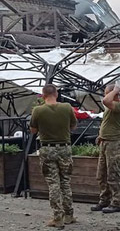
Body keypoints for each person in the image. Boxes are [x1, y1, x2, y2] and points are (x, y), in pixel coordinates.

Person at [30, 84, 78, 228]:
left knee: (53, 183)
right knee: (65, 181)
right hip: (65, 149)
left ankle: (58, 217)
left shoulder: (38, 110)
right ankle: (69, 215)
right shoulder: (67, 107)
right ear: (56, 94)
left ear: (43, 95)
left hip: (47, 149)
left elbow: (33, 131)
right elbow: (74, 126)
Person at [91, 84, 120, 213]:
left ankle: (117, 202)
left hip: (114, 143)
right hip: (105, 142)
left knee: (113, 174)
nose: (105, 96)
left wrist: (116, 89)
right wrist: (101, 136)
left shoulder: (119, 106)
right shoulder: (111, 107)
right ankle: (104, 200)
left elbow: (106, 101)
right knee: (102, 175)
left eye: (107, 93)